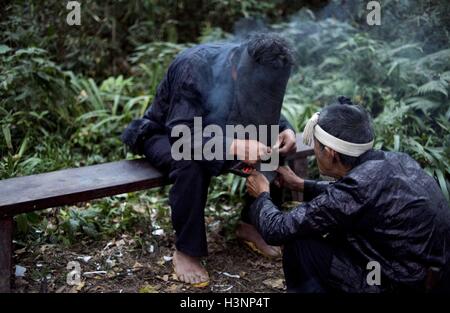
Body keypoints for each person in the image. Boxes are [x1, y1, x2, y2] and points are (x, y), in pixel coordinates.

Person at [121, 33, 297, 286]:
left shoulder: (262, 71)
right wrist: (235, 146)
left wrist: (285, 129)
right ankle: (186, 250)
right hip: (166, 134)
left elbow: (267, 111)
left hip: (220, 131)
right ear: (237, 71)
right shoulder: (194, 66)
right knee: (190, 161)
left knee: (271, 144)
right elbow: (183, 138)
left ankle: (251, 224)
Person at [246, 96, 450, 292]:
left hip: (395, 283)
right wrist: (300, 184)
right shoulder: (395, 160)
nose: (314, 150)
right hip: (424, 275)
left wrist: (262, 194)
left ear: (330, 153)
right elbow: (357, 197)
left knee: (300, 243)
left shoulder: (355, 191)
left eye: (316, 145)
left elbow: (277, 229)